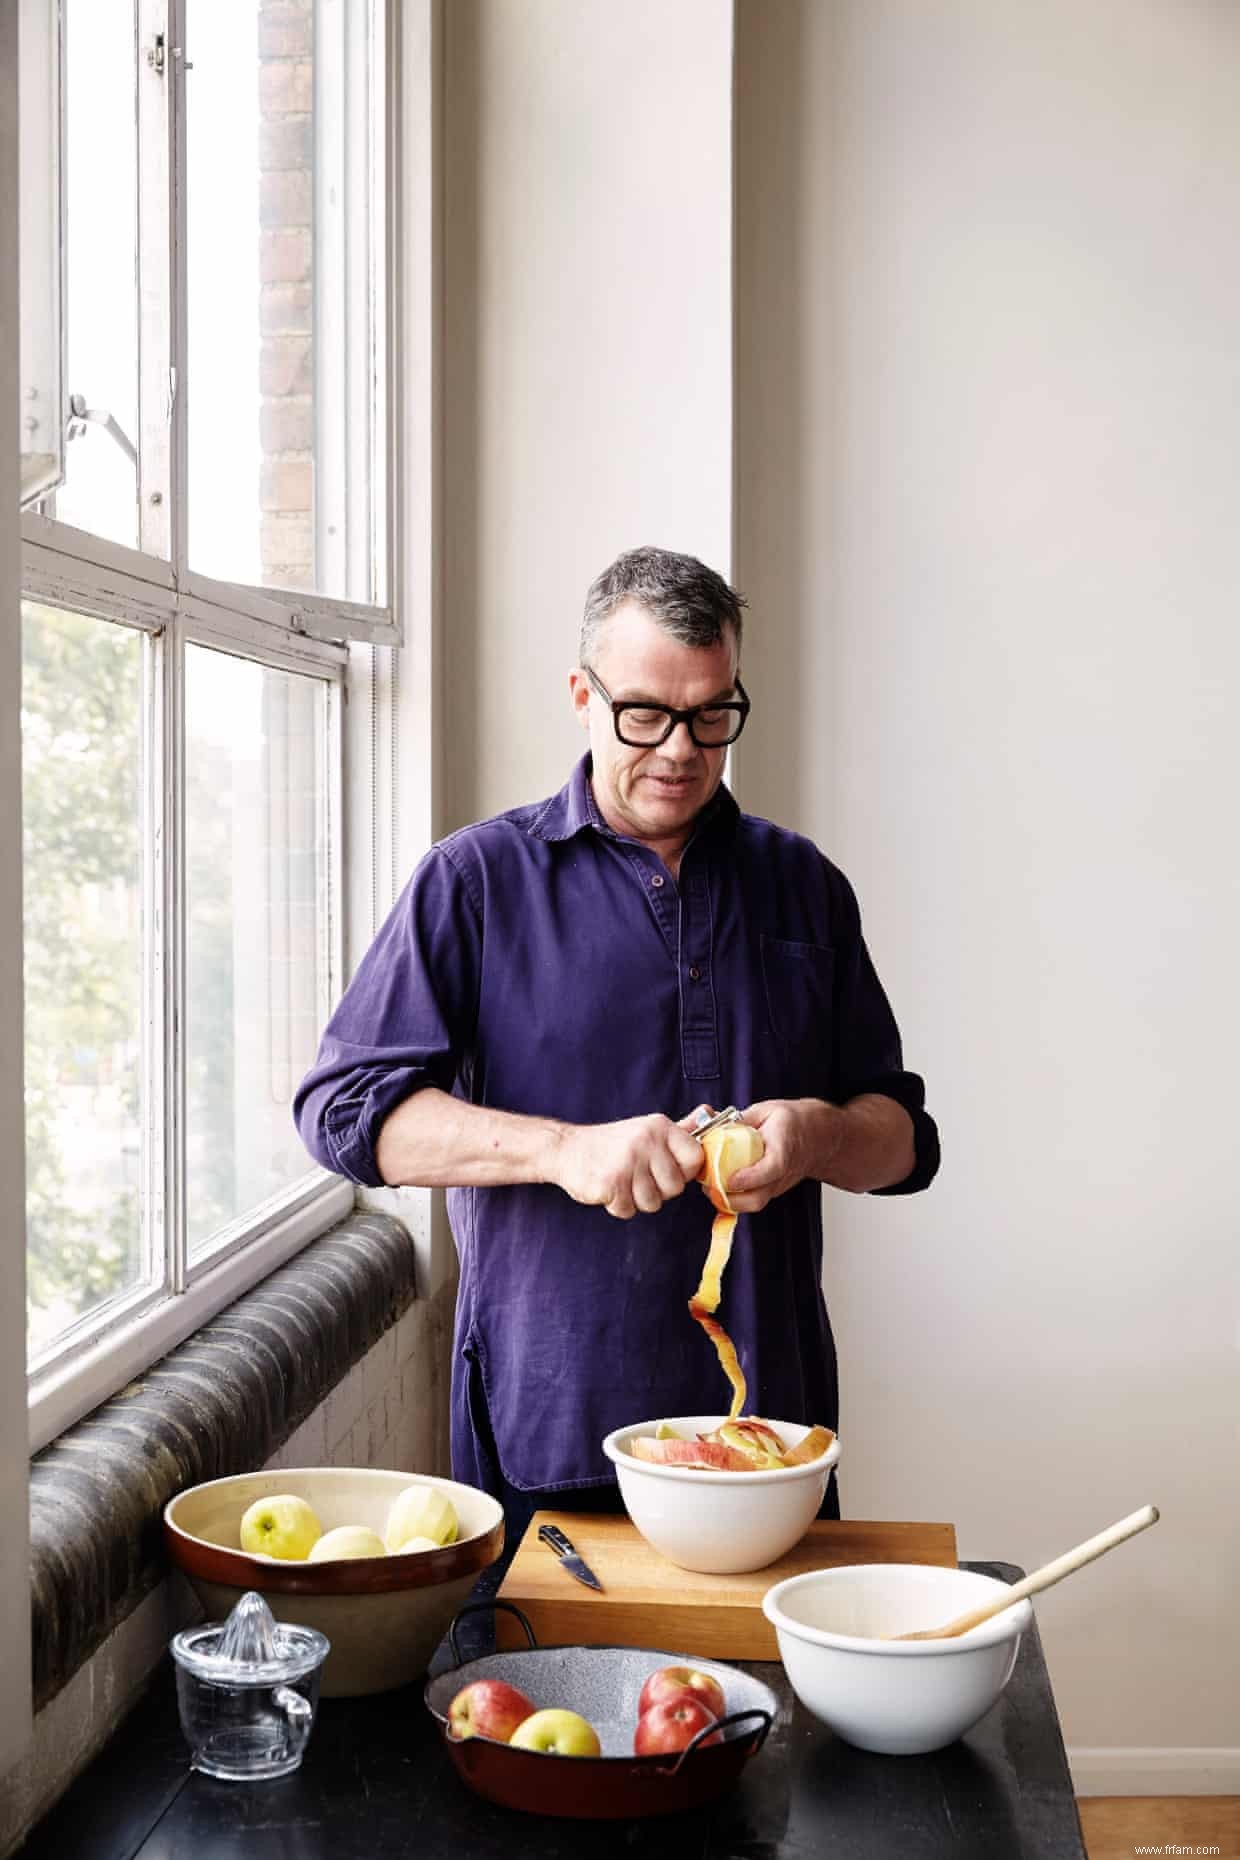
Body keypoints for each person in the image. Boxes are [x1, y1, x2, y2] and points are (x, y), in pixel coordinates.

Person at [294, 546, 939, 1546]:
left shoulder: (805, 885)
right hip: (552, 1431)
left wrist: (819, 1137)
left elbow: (902, 1142)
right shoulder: (475, 882)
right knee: (549, 1704)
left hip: (770, 1437)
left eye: (711, 715)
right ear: (580, 696)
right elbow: (344, 1114)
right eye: (644, 713)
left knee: (777, 1706)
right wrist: (564, 1151)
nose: (679, 750)